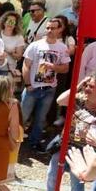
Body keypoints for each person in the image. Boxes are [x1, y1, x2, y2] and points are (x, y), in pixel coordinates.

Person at [21, 17, 70, 151]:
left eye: (53, 28)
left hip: (49, 88)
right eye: (47, 28)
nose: (49, 30)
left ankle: (34, 142)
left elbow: (65, 68)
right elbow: (26, 66)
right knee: (23, 116)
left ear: (60, 29)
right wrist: (27, 84)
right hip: (32, 87)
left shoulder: (62, 47)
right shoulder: (35, 45)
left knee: (41, 118)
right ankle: (13, 139)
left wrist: (53, 67)